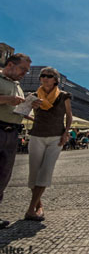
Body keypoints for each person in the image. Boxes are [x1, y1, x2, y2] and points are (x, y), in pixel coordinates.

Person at [24, 67, 72, 221]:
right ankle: (39, 205)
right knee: (33, 173)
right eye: (43, 76)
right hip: (37, 136)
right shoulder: (33, 96)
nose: (45, 78)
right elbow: (21, 112)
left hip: (56, 138)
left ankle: (31, 209)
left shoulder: (64, 96)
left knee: (46, 171)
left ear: (55, 80)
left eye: (49, 76)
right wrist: (32, 110)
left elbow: (69, 116)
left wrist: (66, 132)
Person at [0, 53, 31, 229]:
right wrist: (7, 99)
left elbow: (14, 108)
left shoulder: (18, 86)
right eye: (22, 69)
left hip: (11, 133)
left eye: (27, 71)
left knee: (3, 176)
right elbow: (7, 102)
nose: (24, 73)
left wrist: (27, 109)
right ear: (10, 64)